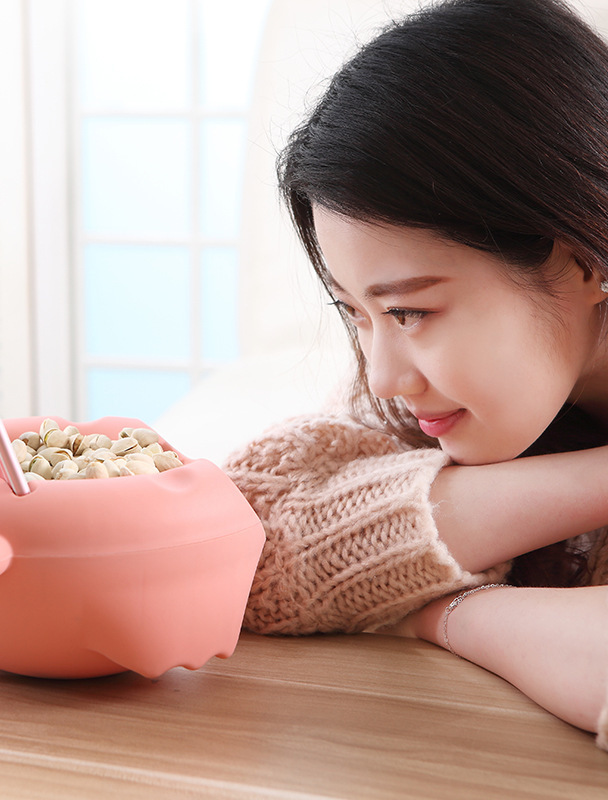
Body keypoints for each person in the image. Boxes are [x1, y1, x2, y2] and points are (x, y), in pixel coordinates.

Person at [224, 0, 608, 747]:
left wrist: (425, 607)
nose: (384, 377)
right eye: (355, 314)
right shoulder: (437, 398)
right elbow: (249, 547)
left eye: (409, 313)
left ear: (584, 258)